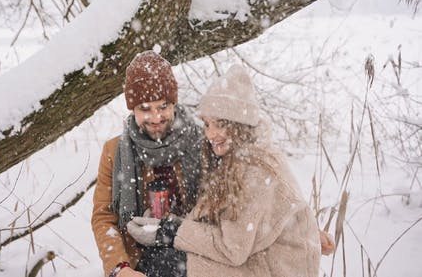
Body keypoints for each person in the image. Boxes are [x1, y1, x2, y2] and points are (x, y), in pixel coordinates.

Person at [127, 65, 323, 276]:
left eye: (220, 125)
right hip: (253, 259)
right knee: (159, 258)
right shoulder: (233, 160)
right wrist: (165, 227)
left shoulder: (258, 169)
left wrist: (169, 232)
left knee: (164, 265)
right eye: (207, 124)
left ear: (239, 126)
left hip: (273, 268)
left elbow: (233, 248)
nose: (211, 134)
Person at [91, 51, 202, 277]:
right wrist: (119, 268)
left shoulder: (200, 142)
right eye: (145, 108)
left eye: (163, 106)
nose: (155, 117)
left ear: (174, 104)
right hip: (142, 259)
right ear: (132, 109)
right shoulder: (115, 152)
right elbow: (104, 218)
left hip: (196, 251)